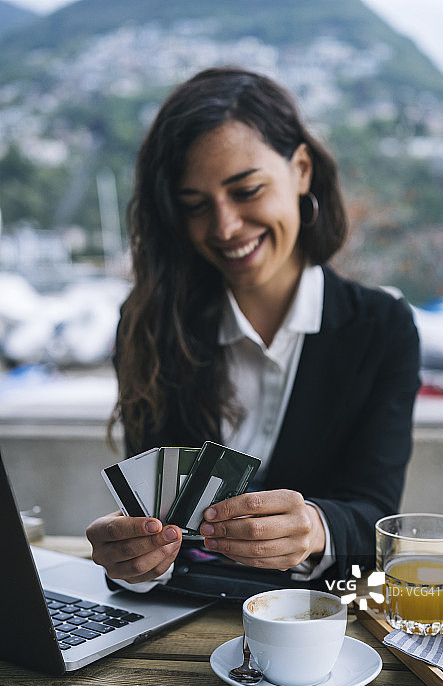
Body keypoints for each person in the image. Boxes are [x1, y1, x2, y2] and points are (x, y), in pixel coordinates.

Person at [86, 66, 420, 601]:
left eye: (247, 190)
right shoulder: (149, 324)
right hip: (175, 620)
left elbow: (375, 518)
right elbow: (150, 520)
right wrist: (131, 557)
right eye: (195, 206)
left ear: (302, 170)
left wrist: (314, 526)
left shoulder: (382, 328)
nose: (224, 227)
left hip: (317, 622)